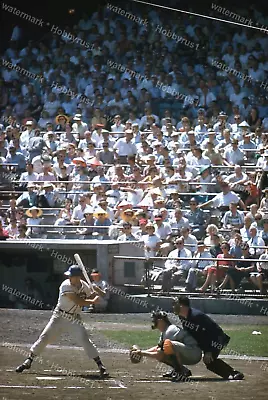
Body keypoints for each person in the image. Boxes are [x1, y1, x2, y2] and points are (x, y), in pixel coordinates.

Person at [15, 265, 109, 378]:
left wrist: (96, 292)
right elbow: (78, 301)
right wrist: (93, 301)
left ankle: (100, 366)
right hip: (59, 316)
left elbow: (101, 295)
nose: (69, 277)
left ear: (78, 277)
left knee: (85, 340)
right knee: (45, 337)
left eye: (72, 276)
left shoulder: (84, 286)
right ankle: (29, 360)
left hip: (74, 318)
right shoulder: (65, 285)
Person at [173, 296, 244, 380]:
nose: (173, 307)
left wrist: (208, 351)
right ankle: (179, 370)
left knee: (209, 361)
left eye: (175, 304)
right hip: (205, 339)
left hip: (216, 339)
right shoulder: (182, 316)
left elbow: (208, 334)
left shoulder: (196, 316)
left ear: (182, 306)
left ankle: (233, 373)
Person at [131, 311, 202, 382]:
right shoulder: (165, 331)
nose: (153, 321)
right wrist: (141, 352)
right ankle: (183, 370)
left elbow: (161, 351)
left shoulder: (170, 330)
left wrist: (142, 353)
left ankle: (180, 372)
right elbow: (158, 348)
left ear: (160, 321)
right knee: (164, 350)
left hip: (193, 352)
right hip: (188, 353)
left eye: (155, 319)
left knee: (167, 347)